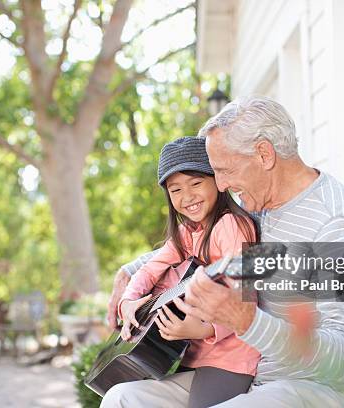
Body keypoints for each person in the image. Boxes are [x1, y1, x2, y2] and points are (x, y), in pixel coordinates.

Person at [105, 96, 344, 407]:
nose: (220, 186)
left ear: (264, 154)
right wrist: (128, 273)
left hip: (318, 389)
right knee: (122, 399)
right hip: (252, 376)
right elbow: (193, 242)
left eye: (224, 170)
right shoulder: (256, 207)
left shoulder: (335, 224)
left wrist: (248, 322)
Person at [112, 136, 261, 408]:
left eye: (195, 183)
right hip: (194, 355)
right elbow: (149, 270)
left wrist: (203, 329)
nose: (187, 196)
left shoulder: (232, 226)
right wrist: (128, 302)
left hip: (230, 359)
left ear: (217, 180)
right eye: (175, 189)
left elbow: (246, 295)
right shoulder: (188, 233)